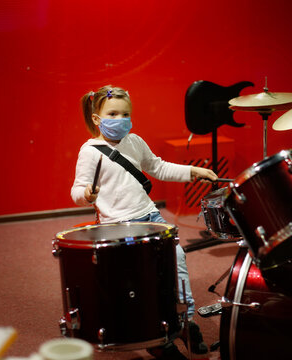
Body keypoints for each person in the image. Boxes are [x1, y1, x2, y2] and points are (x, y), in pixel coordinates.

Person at [70, 85, 218, 359]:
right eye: (113, 113)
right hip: (118, 226)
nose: (121, 119)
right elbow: (77, 190)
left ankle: (186, 321)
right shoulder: (90, 152)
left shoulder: (135, 141)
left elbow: (158, 166)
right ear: (96, 118)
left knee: (177, 265)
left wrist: (192, 170)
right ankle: (157, 339)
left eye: (125, 114)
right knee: (141, 282)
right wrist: (86, 194)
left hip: (151, 217)